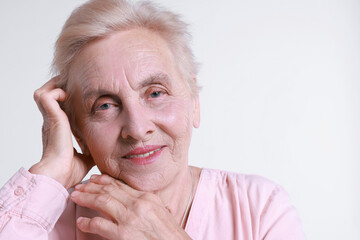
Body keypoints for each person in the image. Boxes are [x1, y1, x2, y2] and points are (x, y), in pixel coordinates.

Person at [0, 0, 306, 239]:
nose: (137, 128)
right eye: (105, 105)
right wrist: (50, 173)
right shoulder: (45, 220)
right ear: (78, 133)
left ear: (194, 103)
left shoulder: (260, 208)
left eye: (156, 93)